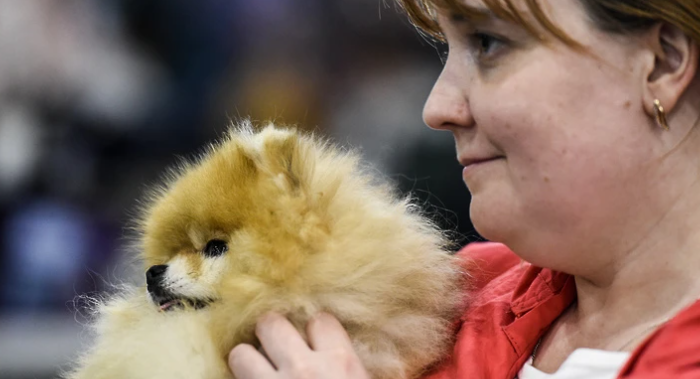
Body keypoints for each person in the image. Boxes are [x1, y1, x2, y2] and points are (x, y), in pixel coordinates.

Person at [227, 0, 700, 378]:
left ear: (662, 62)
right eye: (446, 48)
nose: (438, 107)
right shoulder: (435, 302)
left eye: (489, 42)